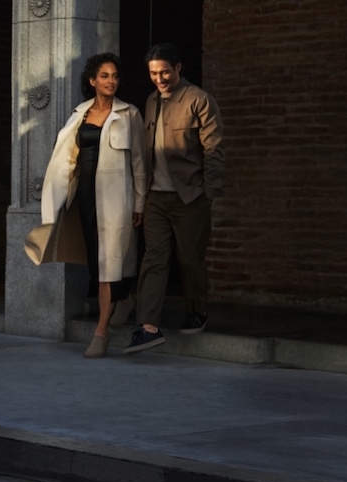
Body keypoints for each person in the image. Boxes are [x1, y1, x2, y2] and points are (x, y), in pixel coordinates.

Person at [39, 52, 147, 358]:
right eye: (104, 76)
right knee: (96, 257)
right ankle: (123, 299)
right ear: (92, 81)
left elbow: (140, 163)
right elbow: (67, 159)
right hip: (84, 195)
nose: (111, 81)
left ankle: (101, 332)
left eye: (114, 76)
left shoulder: (130, 115)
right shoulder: (80, 114)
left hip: (117, 198)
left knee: (108, 262)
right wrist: (56, 199)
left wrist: (139, 202)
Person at [124, 43, 225, 354]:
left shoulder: (199, 100)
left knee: (190, 259)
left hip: (190, 196)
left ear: (178, 68)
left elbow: (214, 150)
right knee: (153, 259)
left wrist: (208, 193)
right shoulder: (151, 101)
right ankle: (148, 327)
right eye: (153, 73)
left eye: (165, 71)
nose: (159, 78)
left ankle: (197, 310)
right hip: (157, 196)